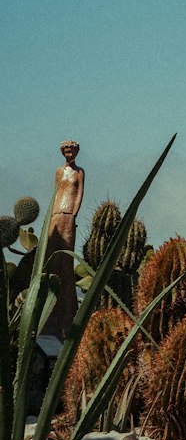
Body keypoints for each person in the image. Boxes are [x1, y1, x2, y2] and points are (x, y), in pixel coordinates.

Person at [46, 139, 85, 338]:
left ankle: (67, 315)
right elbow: (55, 193)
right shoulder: (59, 172)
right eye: (67, 151)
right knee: (51, 260)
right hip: (55, 214)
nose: (69, 154)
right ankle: (50, 314)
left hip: (68, 215)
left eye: (72, 151)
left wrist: (73, 214)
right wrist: (53, 215)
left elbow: (79, 194)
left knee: (66, 262)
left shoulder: (79, 172)